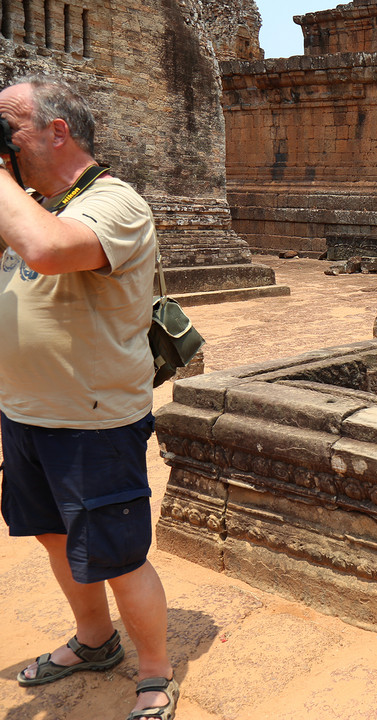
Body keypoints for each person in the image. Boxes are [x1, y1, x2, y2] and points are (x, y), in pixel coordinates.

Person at [0, 77, 178, 719]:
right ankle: (96, 640)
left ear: (57, 131)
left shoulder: (115, 203)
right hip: (26, 415)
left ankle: (155, 673)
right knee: (53, 536)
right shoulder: (30, 205)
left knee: (120, 556)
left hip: (93, 421)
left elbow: (48, 251)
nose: (6, 143)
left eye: (8, 129)